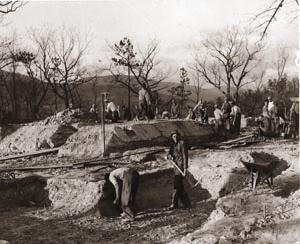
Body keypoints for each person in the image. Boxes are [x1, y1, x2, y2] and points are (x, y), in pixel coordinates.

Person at [167, 131, 191, 210]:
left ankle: (174, 204)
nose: (175, 138)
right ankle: (186, 204)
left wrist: (184, 168)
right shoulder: (172, 145)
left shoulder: (182, 143)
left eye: (176, 136)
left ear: (179, 136)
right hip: (175, 167)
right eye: (174, 136)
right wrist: (169, 156)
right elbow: (169, 154)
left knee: (176, 185)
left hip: (180, 167)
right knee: (180, 186)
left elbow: (185, 156)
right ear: (172, 137)